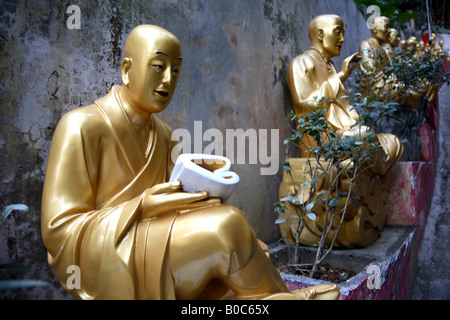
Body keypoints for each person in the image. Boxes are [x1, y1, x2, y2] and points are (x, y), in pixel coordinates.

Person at [41, 24, 339, 300]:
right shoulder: (81, 125)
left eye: (176, 70)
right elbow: (60, 232)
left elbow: (175, 200)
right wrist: (140, 208)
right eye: (158, 67)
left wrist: (204, 189)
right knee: (228, 228)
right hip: (112, 250)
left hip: (158, 238)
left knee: (245, 238)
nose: (168, 79)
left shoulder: (165, 135)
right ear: (127, 70)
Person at [282, 14, 403, 248]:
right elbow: (304, 104)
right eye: (338, 32)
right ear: (320, 34)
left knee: (393, 141)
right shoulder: (301, 63)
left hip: (345, 137)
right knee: (363, 137)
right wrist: (340, 77)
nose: (343, 39)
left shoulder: (329, 66)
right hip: (321, 144)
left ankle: (374, 162)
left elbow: (347, 112)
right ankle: (376, 164)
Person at [359, 16, 421, 108]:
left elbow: (389, 71)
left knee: (413, 94)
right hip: (374, 89)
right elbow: (368, 71)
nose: (388, 31)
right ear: (375, 29)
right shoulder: (366, 44)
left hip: (385, 85)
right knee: (402, 91)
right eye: (386, 27)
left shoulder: (382, 49)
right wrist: (388, 80)